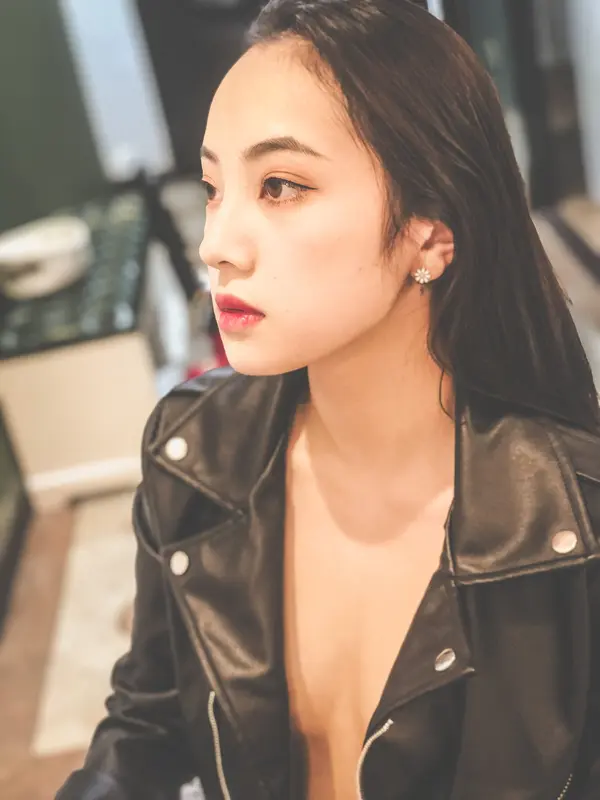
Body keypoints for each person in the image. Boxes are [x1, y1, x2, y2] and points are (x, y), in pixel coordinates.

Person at [57, 1, 600, 798]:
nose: (216, 245)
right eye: (213, 188)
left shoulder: (571, 525)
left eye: (280, 186)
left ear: (429, 231)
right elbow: (150, 718)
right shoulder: (195, 454)